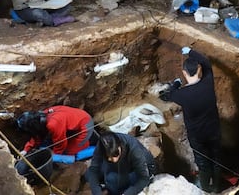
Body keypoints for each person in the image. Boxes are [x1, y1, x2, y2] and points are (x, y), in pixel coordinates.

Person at [159, 47, 221, 193]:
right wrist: (190, 51)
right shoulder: (208, 81)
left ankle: (205, 187)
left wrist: (176, 83)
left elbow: (170, 93)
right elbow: (206, 62)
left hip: (197, 135)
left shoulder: (182, 95)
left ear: (185, 73)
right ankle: (217, 186)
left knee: (202, 161)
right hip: (214, 130)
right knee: (216, 159)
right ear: (199, 70)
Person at [85, 131, 156, 195]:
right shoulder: (102, 145)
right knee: (88, 174)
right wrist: (97, 192)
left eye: (115, 154)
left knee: (112, 182)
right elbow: (94, 169)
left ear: (120, 146)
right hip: (115, 165)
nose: (114, 159)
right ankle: (107, 186)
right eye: (108, 157)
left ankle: (111, 189)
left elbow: (144, 178)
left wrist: (127, 193)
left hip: (136, 168)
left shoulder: (135, 150)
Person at [17, 105, 94, 156]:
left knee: (69, 152)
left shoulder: (53, 124)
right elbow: (37, 135)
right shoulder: (40, 116)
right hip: (74, 121)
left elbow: (61, 144)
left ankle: (90, 148)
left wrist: (54, 156)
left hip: (86, 124)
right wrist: (26, 149)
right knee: (54, 142)